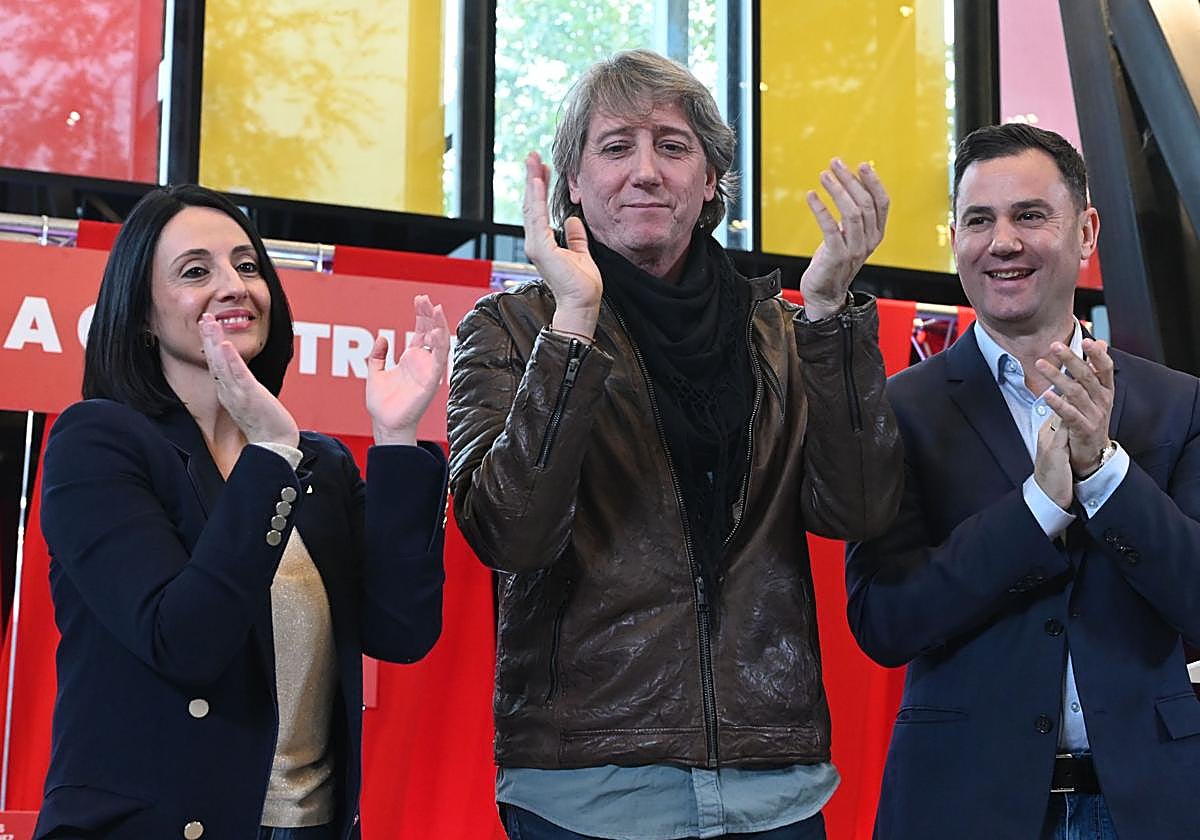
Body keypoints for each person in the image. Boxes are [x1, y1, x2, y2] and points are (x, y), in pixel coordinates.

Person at [447, 49, 902, 840]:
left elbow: (859, 510)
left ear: (710, 182)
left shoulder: (789, 334)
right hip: (586, 788)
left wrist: (830, 311)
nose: (646, 170)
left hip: (776, 787)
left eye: (673, 145)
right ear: (574, 186)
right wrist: (575, 324)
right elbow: (510, 534)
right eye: (616, 146)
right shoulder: (512, 330)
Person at [33, 184, 450, 840]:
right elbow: (184, 639)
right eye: (197, 271)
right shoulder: (98, 442)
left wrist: (396, 440)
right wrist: (272, 456)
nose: (234, 286)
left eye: (248, 266)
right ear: (142, 313)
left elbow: (401, 632)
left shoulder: (322, 465)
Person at [846, 124, 1200, 840]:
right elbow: (885, 621)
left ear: (1087, 231)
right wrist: (1038, 507)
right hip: (961, 801)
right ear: (956, 240)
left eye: (1029, 215)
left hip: (1150, 803)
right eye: (979, 220)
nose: (1002, 241)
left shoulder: (1177, 403)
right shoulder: (896, 408)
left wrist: (1104, 472)